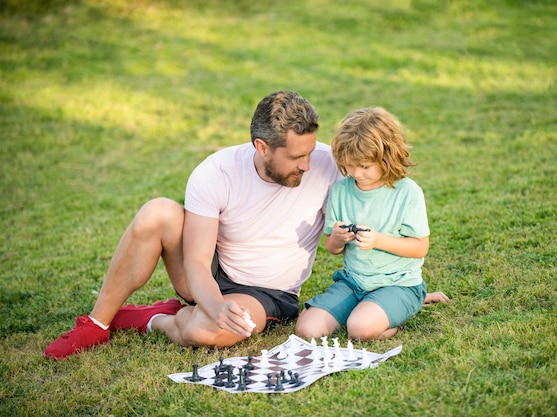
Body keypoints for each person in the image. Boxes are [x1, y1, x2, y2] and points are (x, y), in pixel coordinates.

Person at [44, 91, 343, 359]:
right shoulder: (217, 171)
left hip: (268, 294)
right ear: (262, 147)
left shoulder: (327, 164)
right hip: (208, 274)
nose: (306, 164)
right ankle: (96, 324)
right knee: (157, 212)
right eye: (297, 157)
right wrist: (214, 305)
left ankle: (159, 319)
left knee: (204, 332)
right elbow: (198, 261)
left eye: (310, 152)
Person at [295, 107, 449, 341]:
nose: (356, 173)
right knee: (307, 330)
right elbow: (332, 248)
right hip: (353, 283)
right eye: (349, 165)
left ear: (386, 157)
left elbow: (420, 247)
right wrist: (337, 239)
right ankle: (371, 308)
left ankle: (410, 301)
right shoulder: (341, 191)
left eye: (365, 166)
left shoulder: (407, 193)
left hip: (398, 285)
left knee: (359, 329)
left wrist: (378, 240)